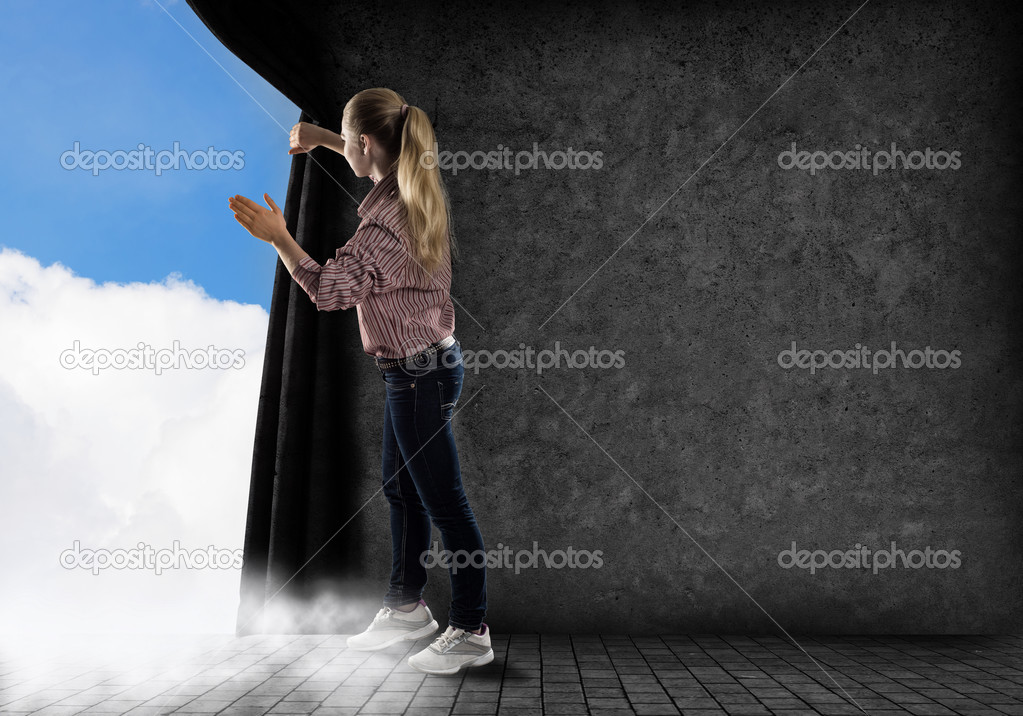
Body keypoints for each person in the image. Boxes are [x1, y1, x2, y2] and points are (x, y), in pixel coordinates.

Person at [228, 87, 491, 676]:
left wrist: (279, 235)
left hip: (420, 377)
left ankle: (471, 628)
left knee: (446, 504)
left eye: (348, 144)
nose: (347, 152)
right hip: (419, 369)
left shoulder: (383, 230)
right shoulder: (415, 175)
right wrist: (325, 139)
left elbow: (328, 291)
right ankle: (405, 607)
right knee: (401, 491)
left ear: (366, 144)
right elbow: (378, 155)